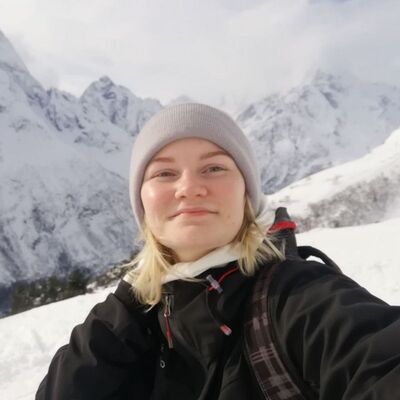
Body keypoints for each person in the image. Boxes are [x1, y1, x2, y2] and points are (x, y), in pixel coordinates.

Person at [36, 103, 400, 400]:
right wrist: (129, 301)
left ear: (246, 194)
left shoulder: (296, 297)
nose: (189, 188)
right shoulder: (138, 319)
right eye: (164, 174)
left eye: (214, 168)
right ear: (142, 201)